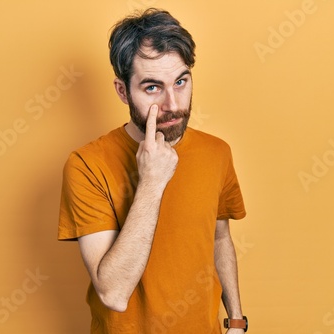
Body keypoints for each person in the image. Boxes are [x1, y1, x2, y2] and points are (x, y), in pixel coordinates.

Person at [58, 8, 248, 333]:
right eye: (152, 88)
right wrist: (151, 182)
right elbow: (113, 292)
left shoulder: (217, 152)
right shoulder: (86, 165)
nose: (173, 104)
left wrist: (236, 321)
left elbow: (219, 238)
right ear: (123, 91)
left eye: (181, 81)